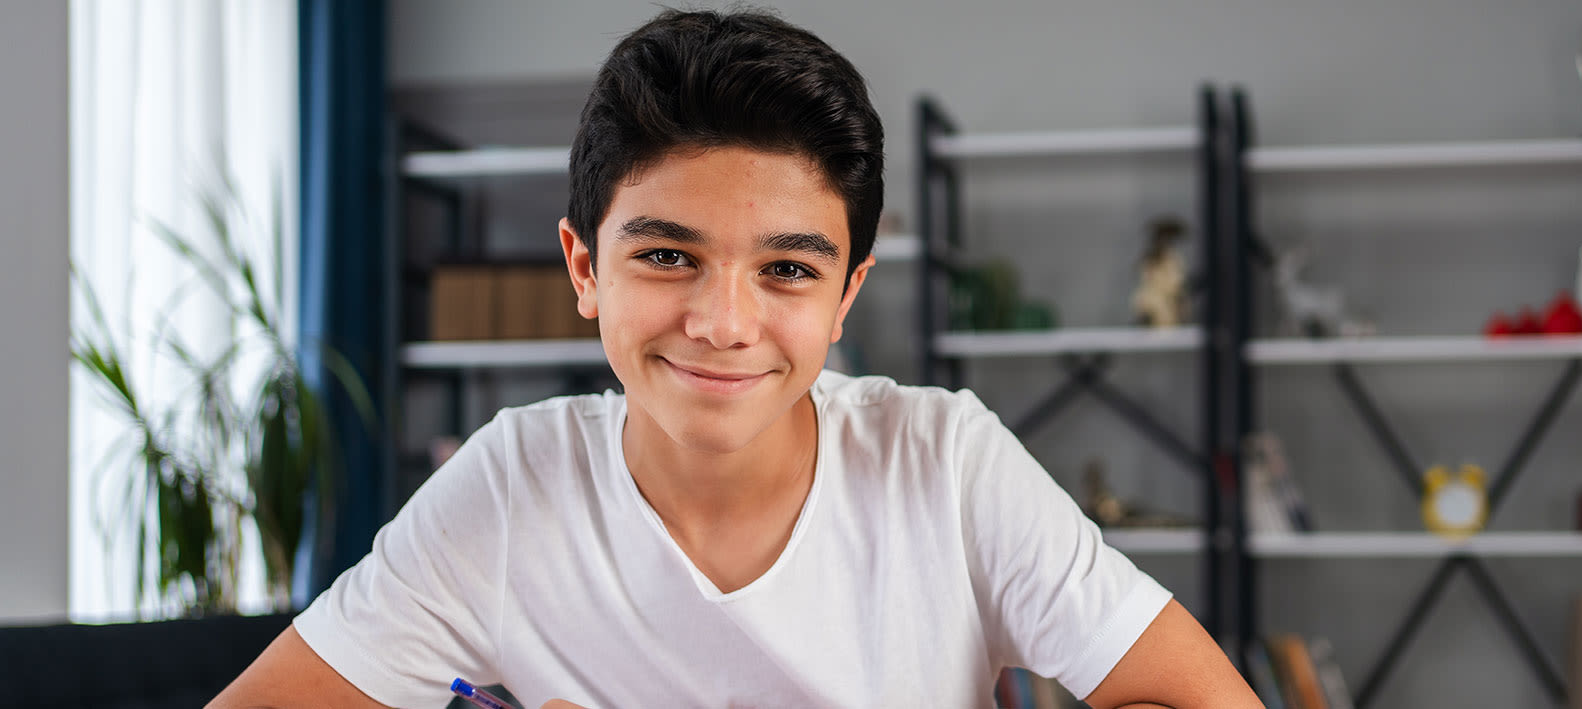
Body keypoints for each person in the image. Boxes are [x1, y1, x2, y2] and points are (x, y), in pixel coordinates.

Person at [212, 9, 1258, 708]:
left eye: (788, 271)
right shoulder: (509, 485)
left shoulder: (942, 462)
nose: (721, 321)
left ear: (847, 293)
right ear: (583, 267)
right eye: (667, 255)